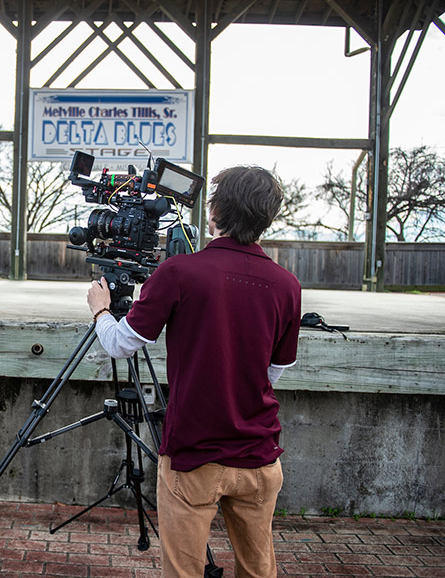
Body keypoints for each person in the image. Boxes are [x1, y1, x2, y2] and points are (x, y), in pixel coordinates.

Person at [86, 166, 301, 577]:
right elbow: (274, 372)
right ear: (266, 217)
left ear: (215, 211)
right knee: (258, 570)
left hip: (193, 457)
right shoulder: (286, 284)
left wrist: (100, 308)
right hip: (258, 457)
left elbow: (120, 344)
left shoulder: (179, 272)